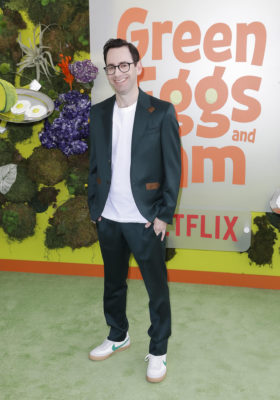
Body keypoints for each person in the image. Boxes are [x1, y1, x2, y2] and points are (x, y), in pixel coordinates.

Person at [88, 38, 181, 383]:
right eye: (111, 66)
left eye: (124, 65)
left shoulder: (162, 111)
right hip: (109, 218)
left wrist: (163, 215)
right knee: (113, 284)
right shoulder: (98, 113)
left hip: (145, 220)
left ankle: (158, 349)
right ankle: (117, 335)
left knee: (157, 288)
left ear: (138, 67)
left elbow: (173, 170)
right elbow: (95, 165)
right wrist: (94, 208)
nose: (117, 73)